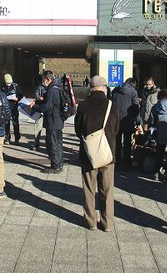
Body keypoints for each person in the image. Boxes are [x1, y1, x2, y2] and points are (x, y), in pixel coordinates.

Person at [74, 75, 120, 231]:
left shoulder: (82, 106)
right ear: (105, 88)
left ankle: (91, 221)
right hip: (107, 154)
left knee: (88, 188)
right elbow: (116, 130)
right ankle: (107, 223)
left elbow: (77, 130)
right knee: (107, 189)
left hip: (88, 154)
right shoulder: (113, 106)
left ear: (90, 89)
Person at [30, 70, 65, 174]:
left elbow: (47, 107)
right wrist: (38, 102)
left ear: (48, 79)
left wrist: (34, 107)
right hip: (58, 120)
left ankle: (55, 166)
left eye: (44, 80)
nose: (43, 82)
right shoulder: (58, 87)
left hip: (52, 121)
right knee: (58, 143)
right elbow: (49, 102)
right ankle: (59, 163)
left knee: (52, 144)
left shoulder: (51, 90)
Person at [111, 77, 140, 168]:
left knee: (117, 142)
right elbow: (135, 107)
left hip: (116, 119)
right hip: (128, 119)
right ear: (133, 84)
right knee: (127, 142)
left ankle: (117, 161)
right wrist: (138, 120)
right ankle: (127, 162)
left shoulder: (115, 90)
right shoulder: (133, 92)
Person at [1, 73, 22, 145]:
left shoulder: (16, 86)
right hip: (6, 107)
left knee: (15, 123)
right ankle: (7, 138)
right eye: (7, 83)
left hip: (14, 107)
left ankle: (17, 138)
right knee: (6, 123)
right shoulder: (3, 87)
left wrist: (17, 98)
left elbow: (20, 96)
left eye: (9, 83)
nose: (8, 84)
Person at [31, 77, 46, 151]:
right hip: (40, 110)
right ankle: (36, 143)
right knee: (37, 127)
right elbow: (36, 96)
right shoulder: (40, 87)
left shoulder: (52, 88)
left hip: (47, 110)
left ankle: (49, 144)